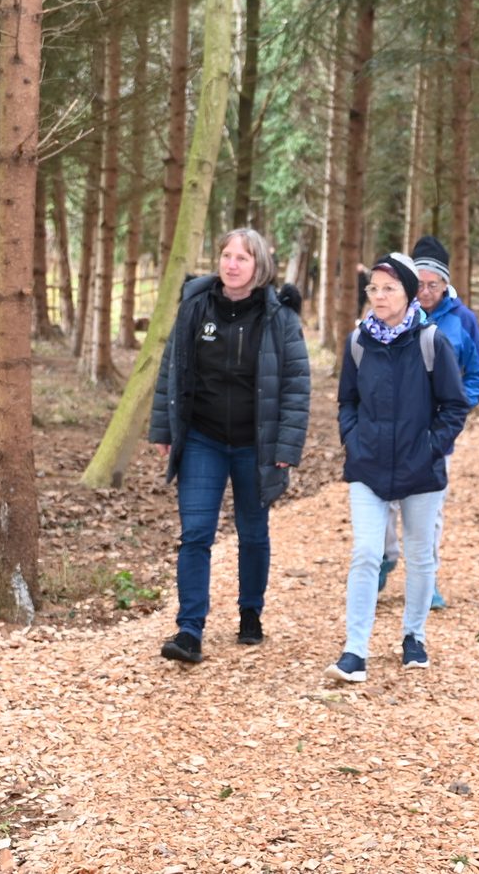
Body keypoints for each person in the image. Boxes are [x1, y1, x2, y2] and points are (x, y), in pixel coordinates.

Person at [149, 228, 310, 665]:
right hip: (203, 438)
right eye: (226, 255)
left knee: (253, 532)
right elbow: (172, 370)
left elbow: (296, 386)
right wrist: (164, 429)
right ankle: (189, 629)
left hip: (255, 444)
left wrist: (286, 447)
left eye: (243, 257)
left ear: (259, 267)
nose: (232, 264)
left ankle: (250, 612)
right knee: (196, 533)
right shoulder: (195, 306)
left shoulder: (280, 318)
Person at [326, 252, 468, 682]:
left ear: (409, 294)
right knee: (367, 553)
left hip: (420, 469)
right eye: (374, 288)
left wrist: (431, 446)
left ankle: (414, 636)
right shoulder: (358, 342)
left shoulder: (431, 341)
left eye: (389, 288)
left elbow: (454, 405)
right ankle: (355, 651)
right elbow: (347, 401)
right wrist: (353, 441)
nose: (379, 296)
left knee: (420, 556)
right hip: (368, 466)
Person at [376, 234, 479, 609]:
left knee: (430, 506)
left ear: (445, 284)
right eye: (419, 283)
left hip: (437, 431)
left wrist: (456, 406)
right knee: (385, 500)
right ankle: (387, 555)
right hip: (390, 427)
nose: (425, 291)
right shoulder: (392, 311)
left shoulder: (463, 320)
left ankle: (427, 576)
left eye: (433, 284)